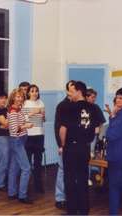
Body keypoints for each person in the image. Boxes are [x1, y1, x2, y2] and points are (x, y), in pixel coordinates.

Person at [60, 81, 99, 215]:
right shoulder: (93, 107)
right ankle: (83, 210)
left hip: (71, 147)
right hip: (84, 148)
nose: (70, 94)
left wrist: (63, 145)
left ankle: (71, 210)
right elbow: (96, 129)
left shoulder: (69, 107)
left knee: (70, 179)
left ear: (78, 91)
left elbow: (63, 129)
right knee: (83, 179)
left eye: (72, 91)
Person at [7, 88, 33, 204]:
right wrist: (26, 126)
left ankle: (12, 192)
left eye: (21, 97)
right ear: (13, 98)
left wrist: (24, 125)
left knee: (14, 167)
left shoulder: (19, 109)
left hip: (20, 140)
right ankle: (22, 195)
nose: (20, 99)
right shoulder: (13, 111)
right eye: (17, 97)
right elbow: (13, 129)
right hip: (17, 140)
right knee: (26, 168)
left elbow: (18, 124)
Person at [54, 80, 75, 209]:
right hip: (64, 144)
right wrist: (60, 145)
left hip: (75, 145)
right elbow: (58, 127)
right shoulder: (62, 105)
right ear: (67, 91)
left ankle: (71, 196)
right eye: (72, 88)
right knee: (62, 170)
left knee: (73, 171)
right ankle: (60, 197)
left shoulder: (78, 105)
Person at [22, 84, 46, 193]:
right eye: (32, 91)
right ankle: (25, 187)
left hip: (39, 135)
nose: (35, 93)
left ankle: (38, 185)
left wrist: (41, 114)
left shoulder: (41, 102)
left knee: (38, 162)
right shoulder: (25, 103)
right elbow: (24, 118)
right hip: (29, 135)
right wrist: (35, 112)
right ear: (28, 93)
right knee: (27, 162)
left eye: (36, 91)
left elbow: (43, 119)